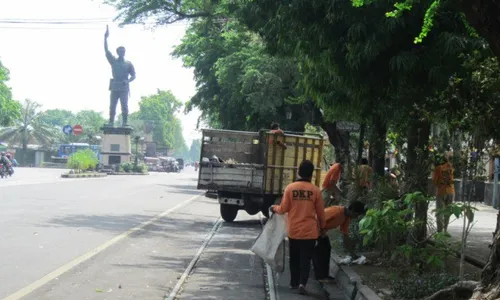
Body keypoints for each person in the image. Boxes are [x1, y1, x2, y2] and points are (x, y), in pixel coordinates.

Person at [271, 160, 326, 295]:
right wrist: (323, 228)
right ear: (311, 174)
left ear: (298, 172)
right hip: (310, 232)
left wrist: (274, 208)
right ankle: (302, 283)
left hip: (294, 231)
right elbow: (320, 213)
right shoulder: (315, 191)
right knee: (306, 259)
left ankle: (294, 283)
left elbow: (284, 209)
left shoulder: (290, 188)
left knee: (294, 258)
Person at [313, 201, 366, 282]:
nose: (356, 217)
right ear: (351, 210)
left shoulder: (346, 218)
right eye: (356, 214)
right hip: (313, 230)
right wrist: (321, 231)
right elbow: (317, 219)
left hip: (321, 233)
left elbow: (345, 236)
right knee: (320, 252)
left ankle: (324, 275)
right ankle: (320, 276)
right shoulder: (336, 211)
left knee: (326, 249)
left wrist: (352, 253)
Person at [104, 25, 136, 126]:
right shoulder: (113, 61)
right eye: (120, 51)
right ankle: (111, 122)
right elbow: (106, 50)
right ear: (117, 52)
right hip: (114, 86)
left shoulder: (128, 63)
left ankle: (125, 122)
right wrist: (105, 38)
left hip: (124, 86)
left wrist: (128, 81)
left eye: (123, 51)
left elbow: (134, 75)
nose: (122, 53)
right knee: (112, 106)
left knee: (124, 106)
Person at [432, 154, 455, 233]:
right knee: (447, 212)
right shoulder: (450, 167)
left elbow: (434, 181)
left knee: (439, 212)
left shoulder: (438, 168)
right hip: (451, 191)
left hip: (441, 191)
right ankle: (445, 230)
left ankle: (439, 232)